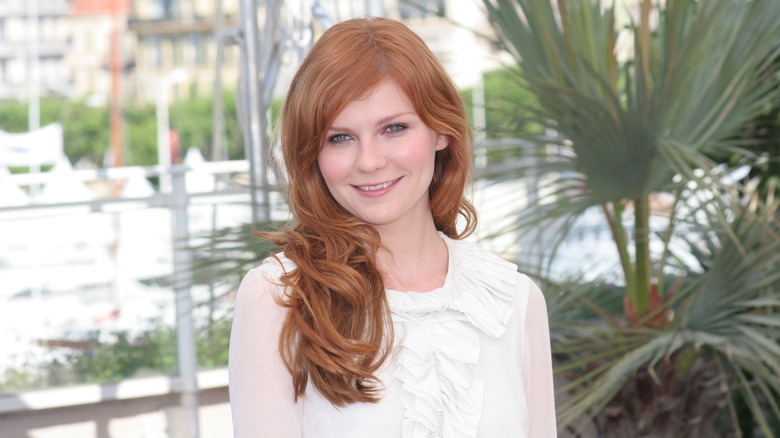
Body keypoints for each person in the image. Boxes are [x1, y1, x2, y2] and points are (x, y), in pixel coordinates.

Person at [228, 17, 556, 437]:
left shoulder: (513, 300)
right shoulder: (278, 297)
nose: (369, 161)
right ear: (312, 154)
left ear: (441, 131)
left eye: (394, 128)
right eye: (339, 138)